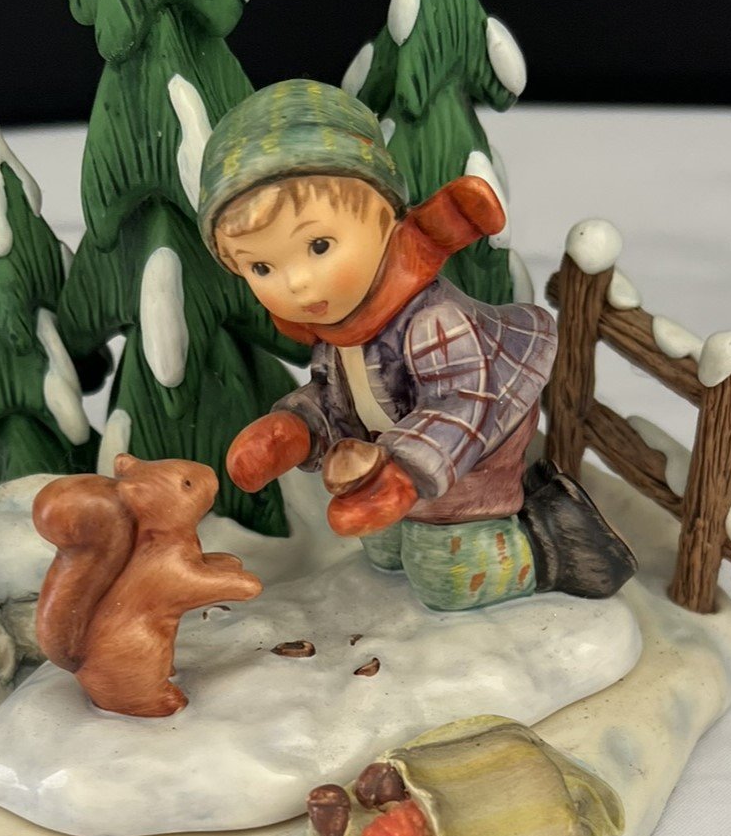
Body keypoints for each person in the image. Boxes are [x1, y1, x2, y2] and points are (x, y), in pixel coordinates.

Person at [196, 78, 634, 611]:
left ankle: (557, 541)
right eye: (262, 268)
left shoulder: (432, 320)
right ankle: (414, 519)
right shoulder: (339, 327)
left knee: (446, 576)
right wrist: (297, 429)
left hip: (479, 435)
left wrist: (403, 475)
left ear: (386, 220)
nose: (297, 284)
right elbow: (338, 397)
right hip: (400, 439)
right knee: (383, 549)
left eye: (319, 245)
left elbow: (463, 404)